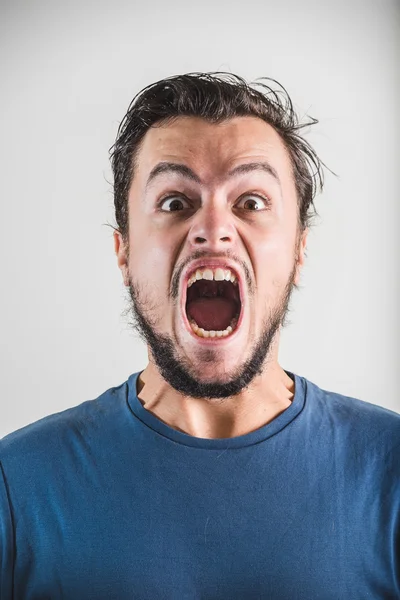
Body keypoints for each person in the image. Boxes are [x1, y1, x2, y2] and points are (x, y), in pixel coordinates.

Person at [0, 72, 399, 599]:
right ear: (124, 251)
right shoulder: (18, 485)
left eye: (251, 202)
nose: (213, 228)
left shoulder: (390, 470)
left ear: (300, 249)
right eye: (174, 203)